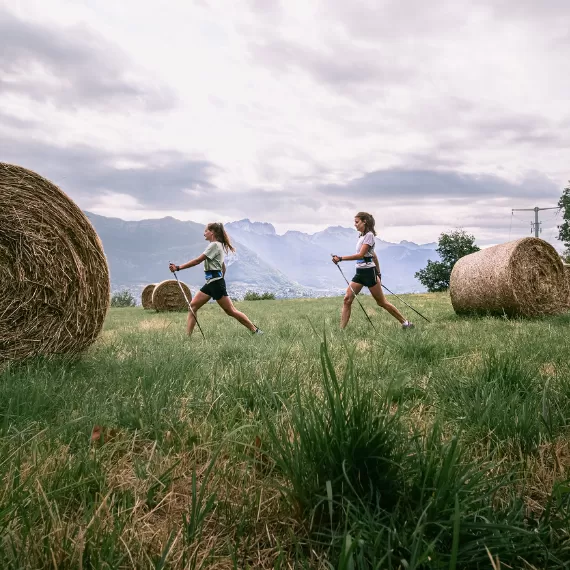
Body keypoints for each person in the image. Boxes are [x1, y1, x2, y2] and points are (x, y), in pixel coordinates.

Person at [169, 222, 263, 336]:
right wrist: (219, 280)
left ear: (212, 232)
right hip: (212, 283)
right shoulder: (218, 246)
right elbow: (223, 267)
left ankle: (255, 331)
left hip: (215, 283)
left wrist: (178, 268)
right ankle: (187, 337)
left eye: (206, 231)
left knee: (230, 311)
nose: (204, 234)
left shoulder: (214, 246)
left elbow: (197, 261)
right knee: (193, 306)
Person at [332, 212, 414, 329]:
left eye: (357, 222)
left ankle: (406, 323)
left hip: (368, 273)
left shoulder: (369, 235)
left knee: (381, 302)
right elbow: (374, 255)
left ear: (364, 221)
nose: (355, 225)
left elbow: (361, 255)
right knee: (347, 299)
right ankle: (341, 330)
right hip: (360, 273)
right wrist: (379, 273)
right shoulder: (362, 236)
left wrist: (340, 258)